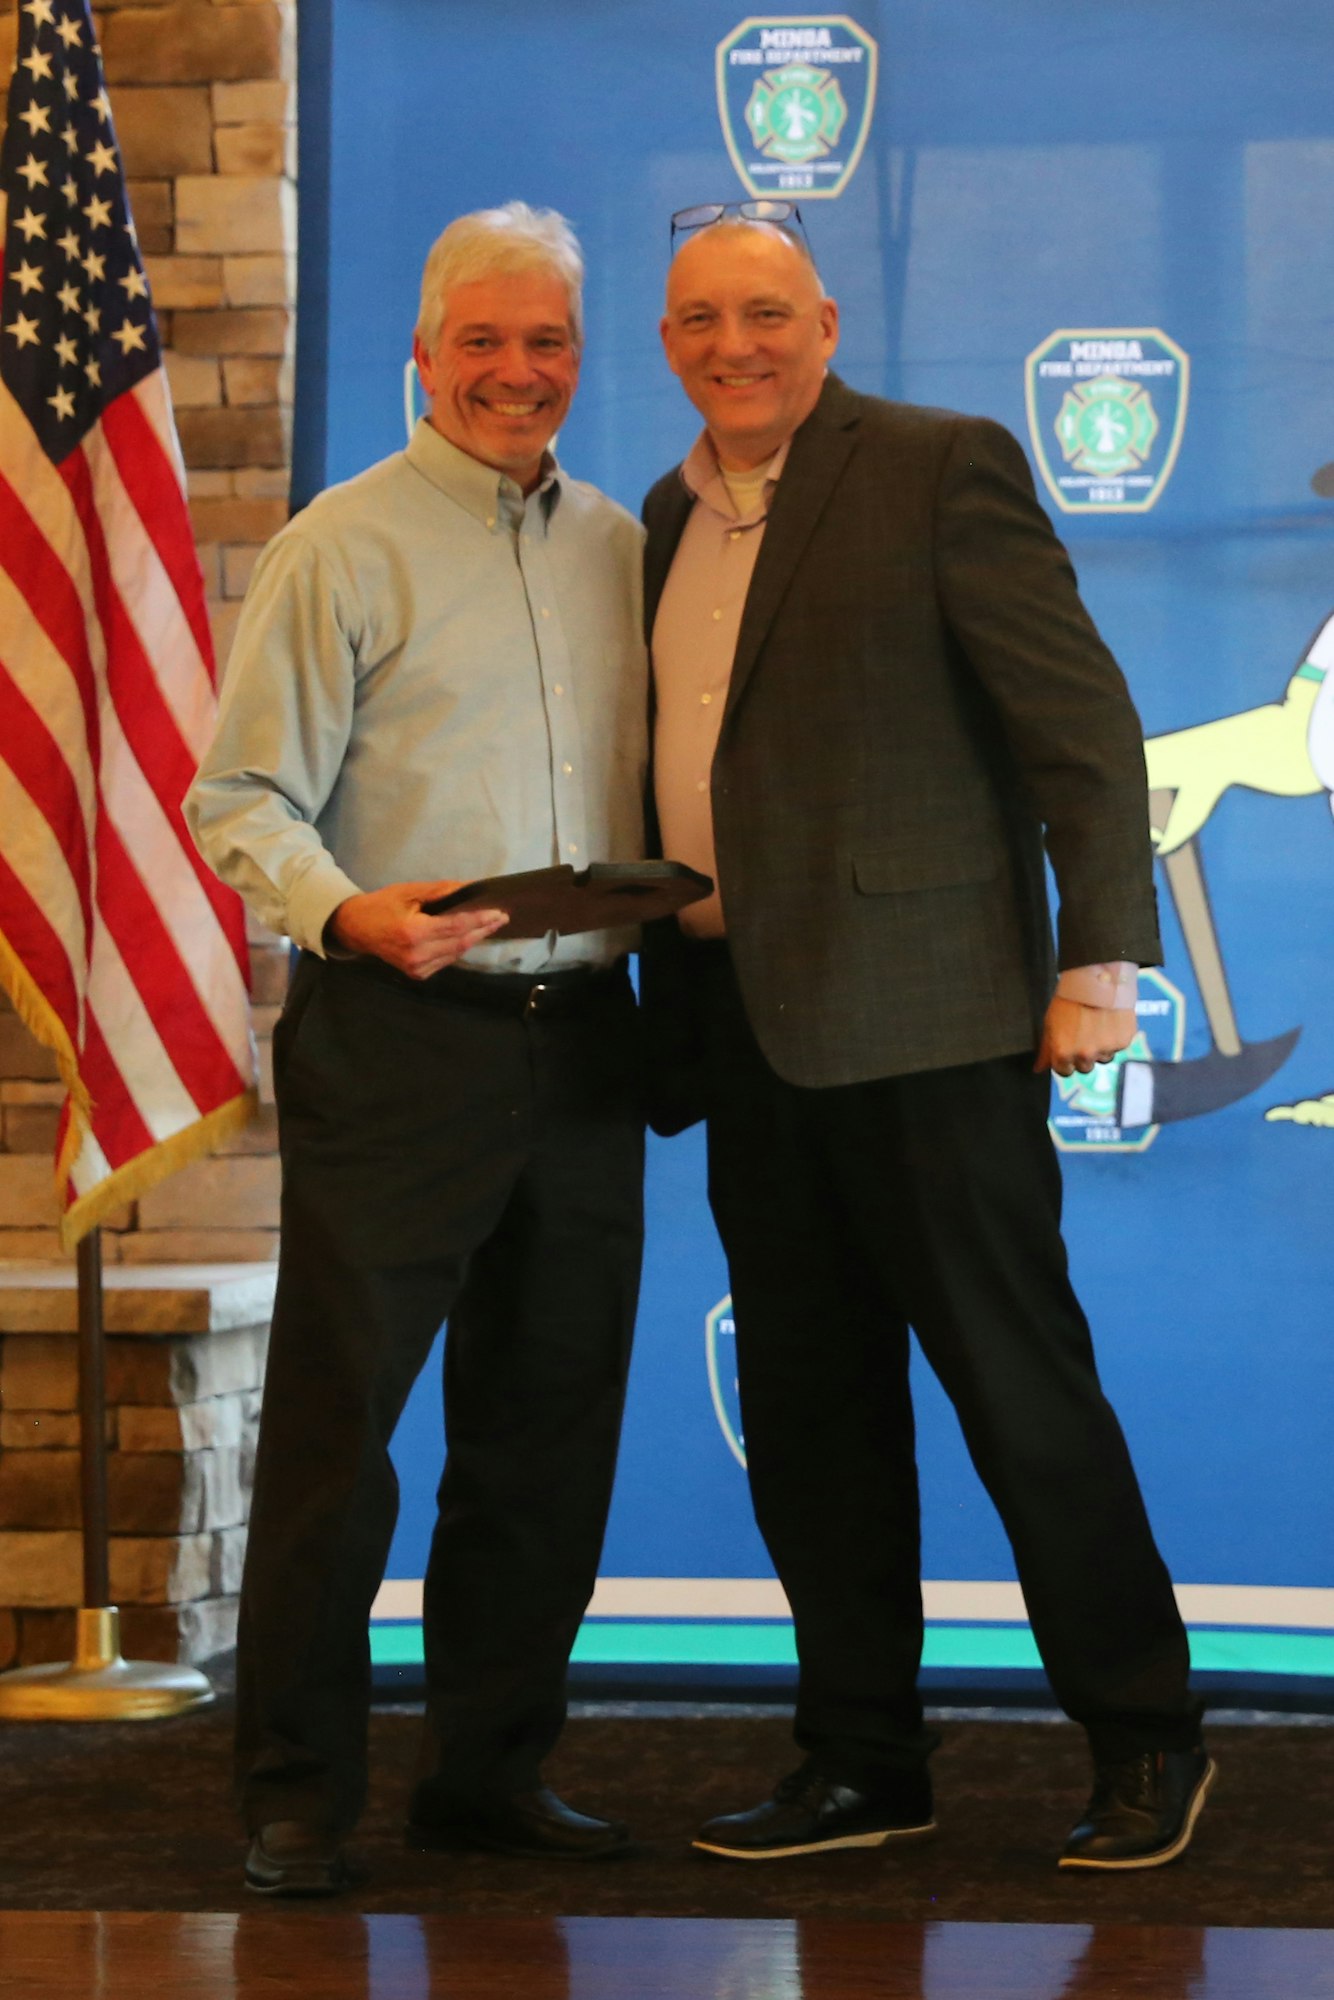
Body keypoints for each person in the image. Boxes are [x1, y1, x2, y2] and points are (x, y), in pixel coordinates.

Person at [640, 207, 1211, 1870]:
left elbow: (1081, 729)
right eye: (699, 320)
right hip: (746, 1036)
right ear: (667, 344)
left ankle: (1145, 1739)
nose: (733, 345)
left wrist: (1099, 964)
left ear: (823, 324)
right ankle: (861, 1761)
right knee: (812, 1423)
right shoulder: (663, 516)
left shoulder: (938, 465)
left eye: (763, 313)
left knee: (1022, 1400)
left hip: (937, 1031)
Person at [187, 202, 648, 1895]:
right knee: (340, 1435)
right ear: (423, 355)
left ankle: (490, 1777)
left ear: (578, 358)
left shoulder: (625, 547)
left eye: (546, 343)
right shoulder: (341, 544)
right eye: (483, 342)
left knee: (543, 1436)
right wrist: (346, 912)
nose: (516, 372)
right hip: (400, 1039)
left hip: (583, 1044)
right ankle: (295, 1794)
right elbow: (239, 795)